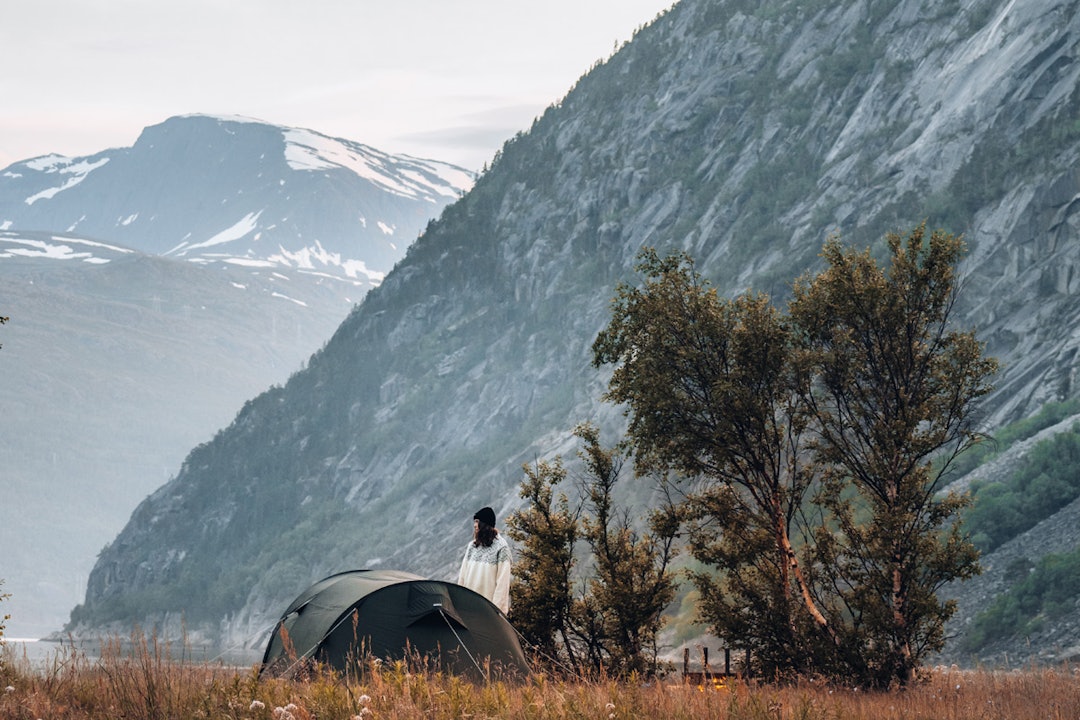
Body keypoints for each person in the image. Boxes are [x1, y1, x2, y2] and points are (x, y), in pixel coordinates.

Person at [457, 506, 512, 614]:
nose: (474, 525)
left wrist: (496, 612)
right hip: (468, 608)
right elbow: (463, 577)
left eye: (477, 521)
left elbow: (502, 584)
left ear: (485, 524)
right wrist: (459, 602)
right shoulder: (472, 546)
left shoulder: (501, 548)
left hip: (487, 612)